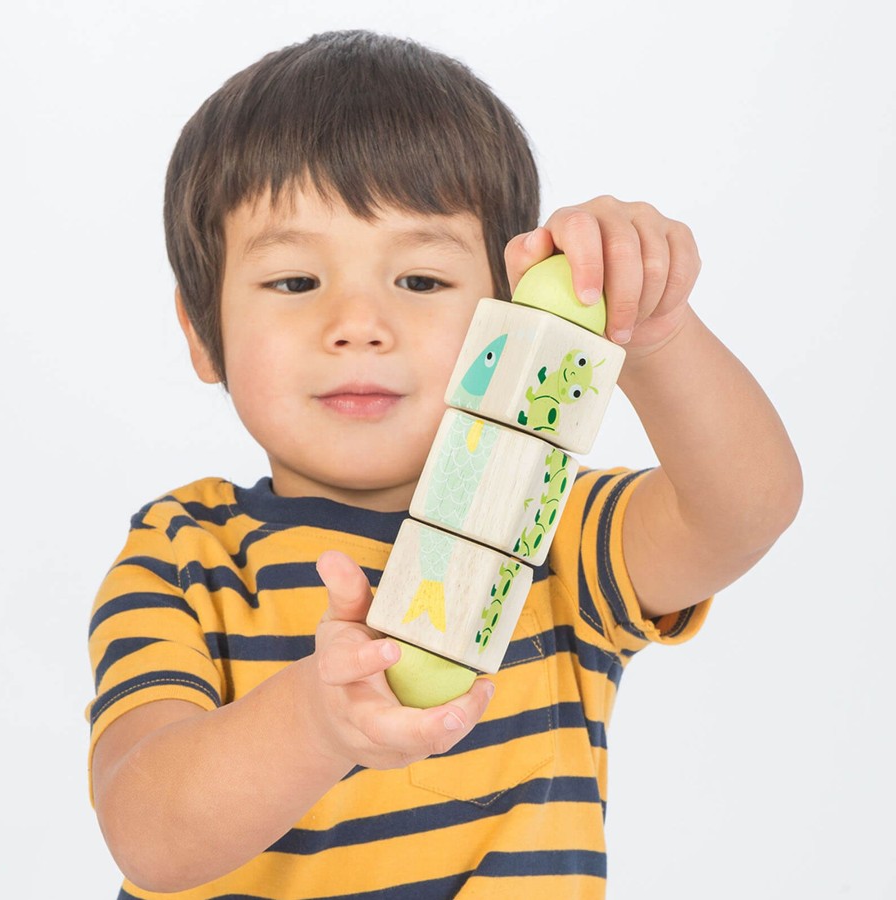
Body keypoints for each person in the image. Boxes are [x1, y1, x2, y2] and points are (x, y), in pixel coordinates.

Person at [86, 29, 802, 900]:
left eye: (420, 281)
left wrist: (650, 330)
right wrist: (320, 719)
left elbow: (746, 506)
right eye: (295, 283)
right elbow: (149, 837)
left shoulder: (553, 529)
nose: (357, 323)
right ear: (203, 334)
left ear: (508, 324)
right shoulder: (184, 554)